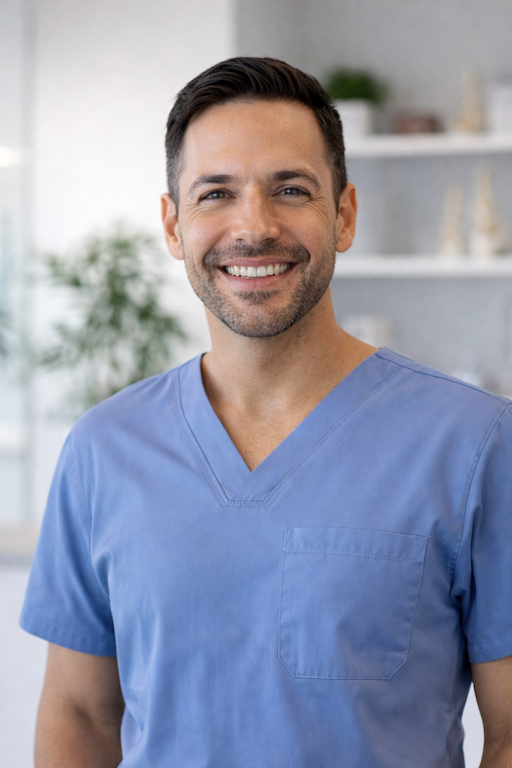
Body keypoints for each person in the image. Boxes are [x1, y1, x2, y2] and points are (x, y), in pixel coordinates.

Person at [21, 57, 512, 768]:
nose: (253, 227)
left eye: (290, 188)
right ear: (173, 225)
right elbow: (79, 716)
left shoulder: (475, 445)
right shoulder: (104, 449)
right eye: (216, 193)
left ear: (342, 215)